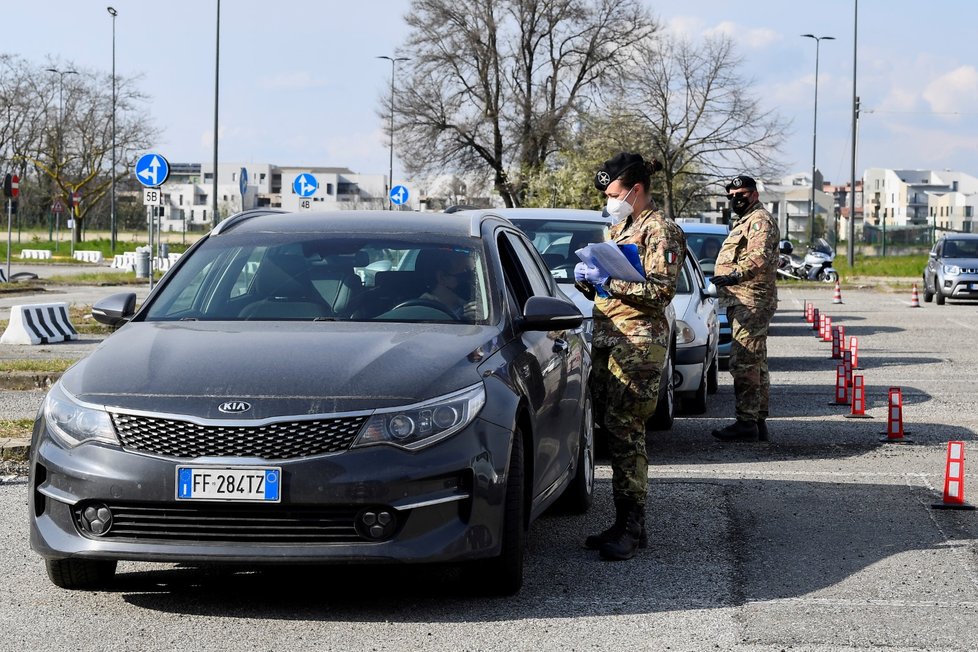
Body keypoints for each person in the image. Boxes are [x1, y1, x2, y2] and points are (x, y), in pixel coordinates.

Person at [573, 152, 686, 561]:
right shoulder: (622, 227)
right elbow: (611, 288)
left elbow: (659, 293)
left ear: (636, 190)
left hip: (638, 345)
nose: (609, 200)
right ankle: (623, 522)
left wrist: (611, 280)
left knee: (628, 431)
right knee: (614, 430)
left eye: (613, 193)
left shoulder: (661, 231)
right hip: (610, 337)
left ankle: (633, 526)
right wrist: (589, 282)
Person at [710, 175, 780, 442]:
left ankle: (746, 422)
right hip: (742, 299)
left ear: (754, 194)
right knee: (755, 362)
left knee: (744, 362)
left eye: (742, 194)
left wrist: (736, 275)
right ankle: (757, 420)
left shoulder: (759, 220)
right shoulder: (746, 220)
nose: (736, 199)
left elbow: (758, 255)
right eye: (732, 195)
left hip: (751, 299)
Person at [414, 248, 478, 319]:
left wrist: (476, 319)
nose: (472, 279)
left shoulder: (476, 312)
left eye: (473, 273)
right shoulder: (419, 313)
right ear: (442, 277)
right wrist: (417, 311)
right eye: (465, 272)